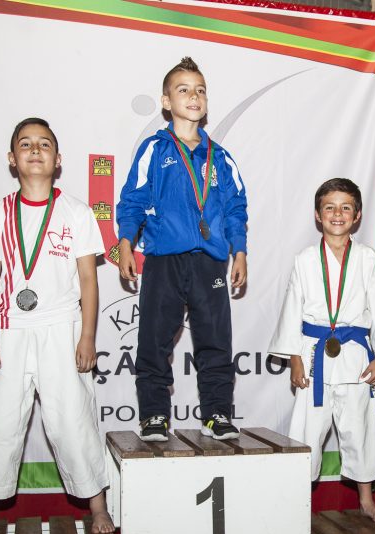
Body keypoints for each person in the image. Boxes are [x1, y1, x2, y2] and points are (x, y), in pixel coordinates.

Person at [0, 117, 113, 534]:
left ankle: (98, 505)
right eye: (25, 144)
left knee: (72, 419)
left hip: (61, 325)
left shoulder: (75, 213)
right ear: (12, 158)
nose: (35, 150)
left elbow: (89, 280)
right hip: (10, 328)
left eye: (44, 144)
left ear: (58, 161)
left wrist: (88, 337)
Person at [116, 56, 248, 441]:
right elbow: (133, 200)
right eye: (184, 89)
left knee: (215, 340)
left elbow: (236, 207)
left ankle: (217, 414)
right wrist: (126, 242)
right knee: (154, 339)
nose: (194, 96)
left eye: (200, 90)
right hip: (163, 260)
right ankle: (154, 415)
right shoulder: (153, 150)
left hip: (210, 261)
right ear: (165, 101)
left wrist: (239, 250)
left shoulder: (221, 157)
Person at [268, 178, 375, 524]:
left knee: (359, 427)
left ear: (357, 216)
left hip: (357, 356)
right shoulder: (304, 259)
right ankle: (295, 502)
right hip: (314, 355)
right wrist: (294, 359)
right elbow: (292, 310)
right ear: (318, 215)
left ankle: (366, 500)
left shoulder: (367, 258)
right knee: (305, 433)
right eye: (329, 207)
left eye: (346, 207)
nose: (337, 214)